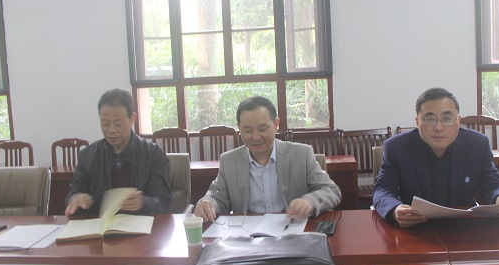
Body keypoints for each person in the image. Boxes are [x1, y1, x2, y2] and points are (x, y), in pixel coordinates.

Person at [373, 87, 499, 228]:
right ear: (417, 122)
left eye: (447, 119)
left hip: (464, 227)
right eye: (430, 119)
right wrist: (395, 209)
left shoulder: (477, 144)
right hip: (415, 226)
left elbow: (493, 184)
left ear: (458, 121)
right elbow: (383, 189)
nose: (438, 127)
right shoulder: (397, 147)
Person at [194, 96, 341, 221]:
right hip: (248, 236)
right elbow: (217, 197)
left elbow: (331, 190)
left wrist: (309, 201)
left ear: (276, 124)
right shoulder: (229, 161)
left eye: (262, 129)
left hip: (291, 230)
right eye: (248, 130)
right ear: (239, 128)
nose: (255, 137)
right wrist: (208, 203)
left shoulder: (301, 155)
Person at [65, 88, 172, 216]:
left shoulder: (153, 155)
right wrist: (76, 198)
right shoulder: (88, 155)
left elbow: (165, 203)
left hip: (140, 225)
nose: (111, 130)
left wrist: (144, 203)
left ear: (132, 119)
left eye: (118, 123)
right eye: (105, 123)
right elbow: (73, 193)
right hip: (100, 225)